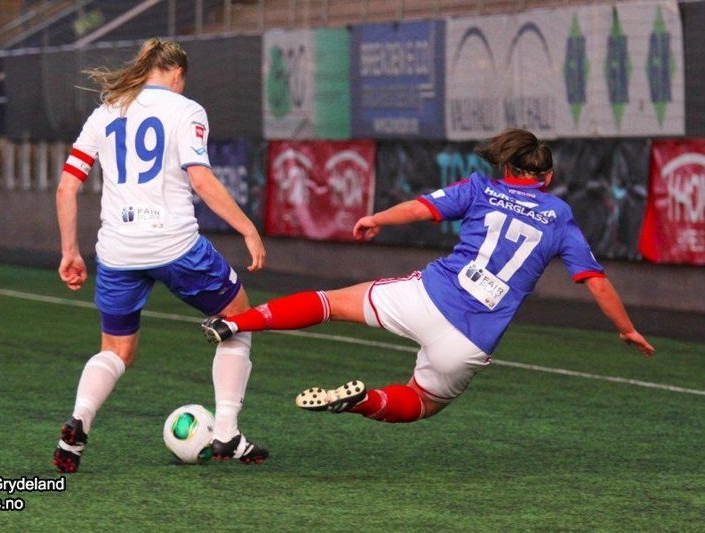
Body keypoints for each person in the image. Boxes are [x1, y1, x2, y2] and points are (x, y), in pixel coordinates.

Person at [202, 128, 654, 425]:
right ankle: (362, 401)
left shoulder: (481, 188)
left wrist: (378, 217)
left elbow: (422, 207)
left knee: (329, 303)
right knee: (420, 403)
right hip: (472, 339)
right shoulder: (558, 216)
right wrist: (627, 329)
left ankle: (234, 323)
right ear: (547, 176)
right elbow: (595, 280)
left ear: (507, 168)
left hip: (429, 296)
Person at [54, 38, 268, 472]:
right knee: (239, 319)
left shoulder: (105, 112)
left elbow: (67, 187)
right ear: (176, 74)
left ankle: (77, 428)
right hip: (175, 244)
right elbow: (202, 181)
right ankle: (226, 431)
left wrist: (70, 252)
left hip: (117, 250)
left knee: (115, 350)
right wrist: (248, 229)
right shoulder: (185, 109)